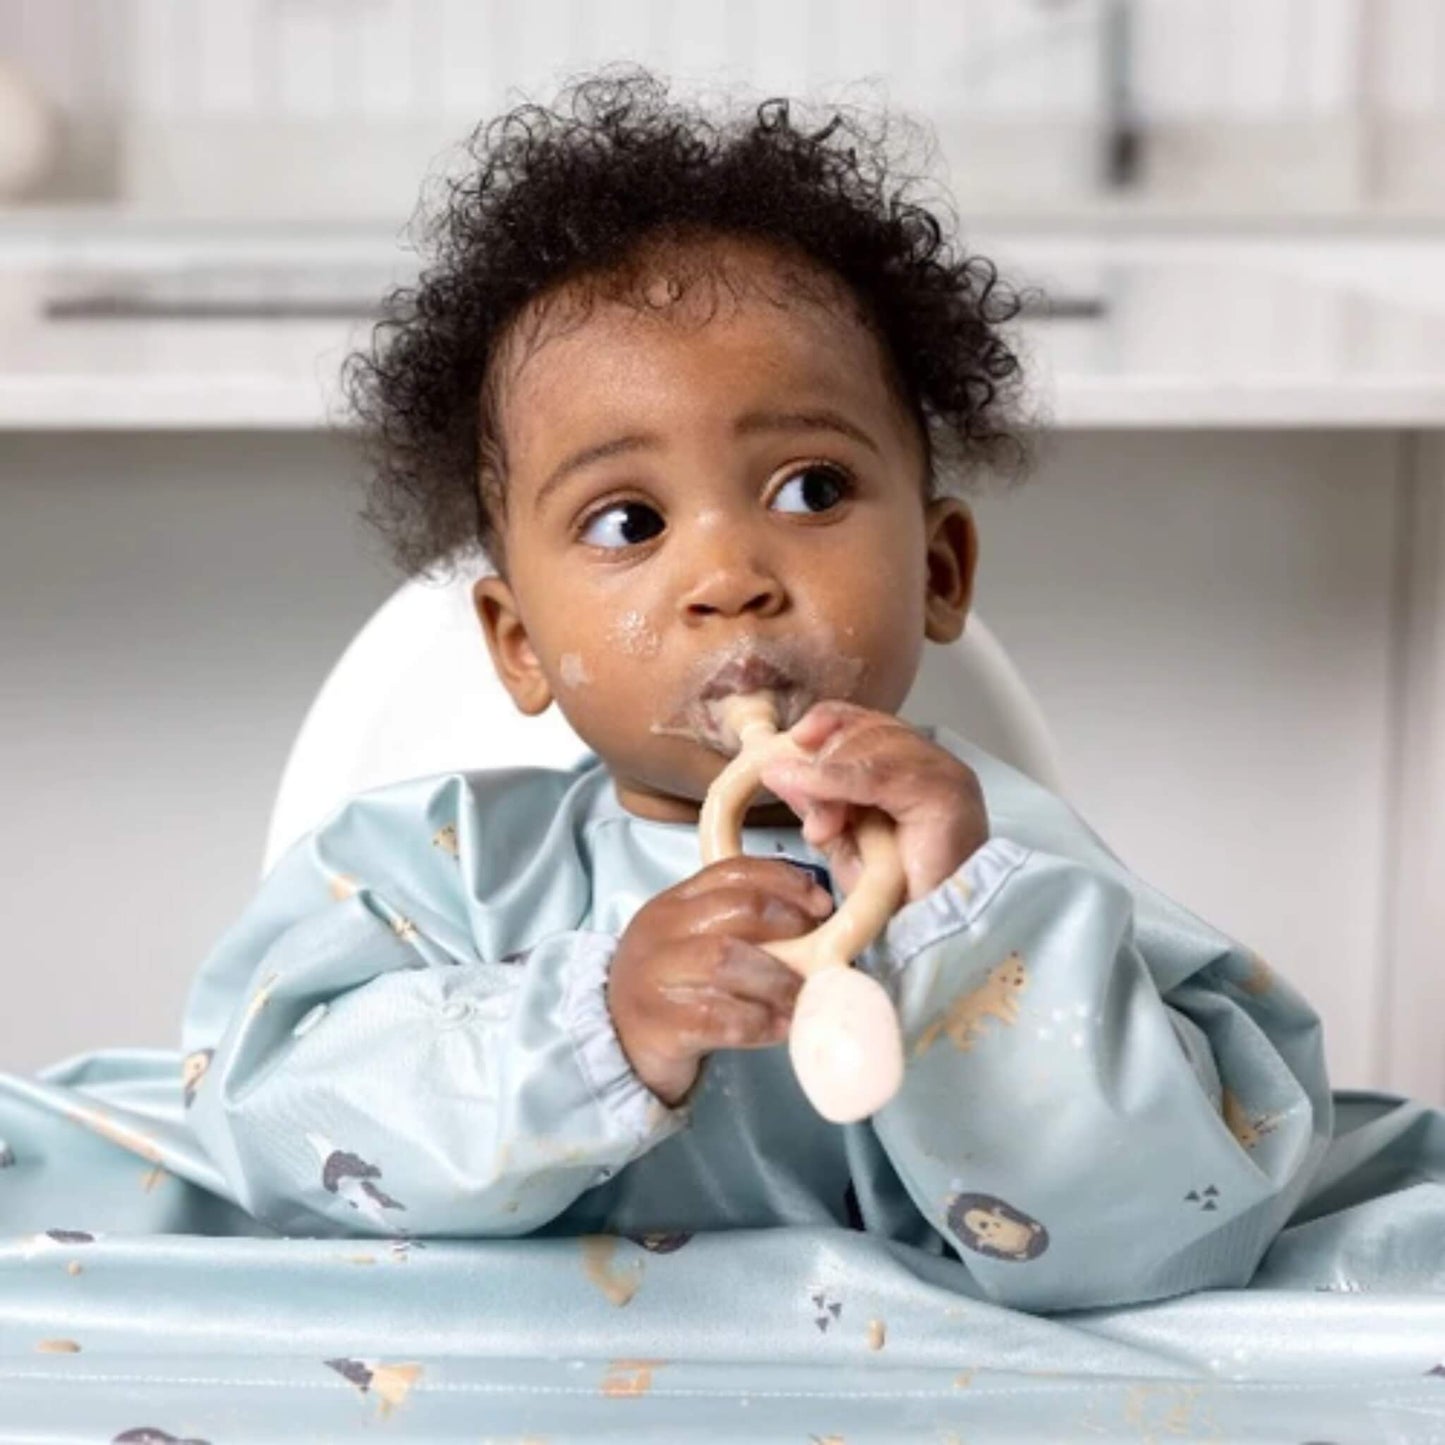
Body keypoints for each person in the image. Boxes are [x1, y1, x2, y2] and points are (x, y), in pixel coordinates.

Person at [174, 68, 1333, 1315]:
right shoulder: (439, 874)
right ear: (516, 642)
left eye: (810, 491)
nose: (728, 576)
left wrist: (973, 932)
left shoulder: (1010, 865)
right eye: (627, 520)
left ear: (937, 570)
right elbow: (268, 1132)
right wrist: (591, 1025)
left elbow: (1178, 1231)